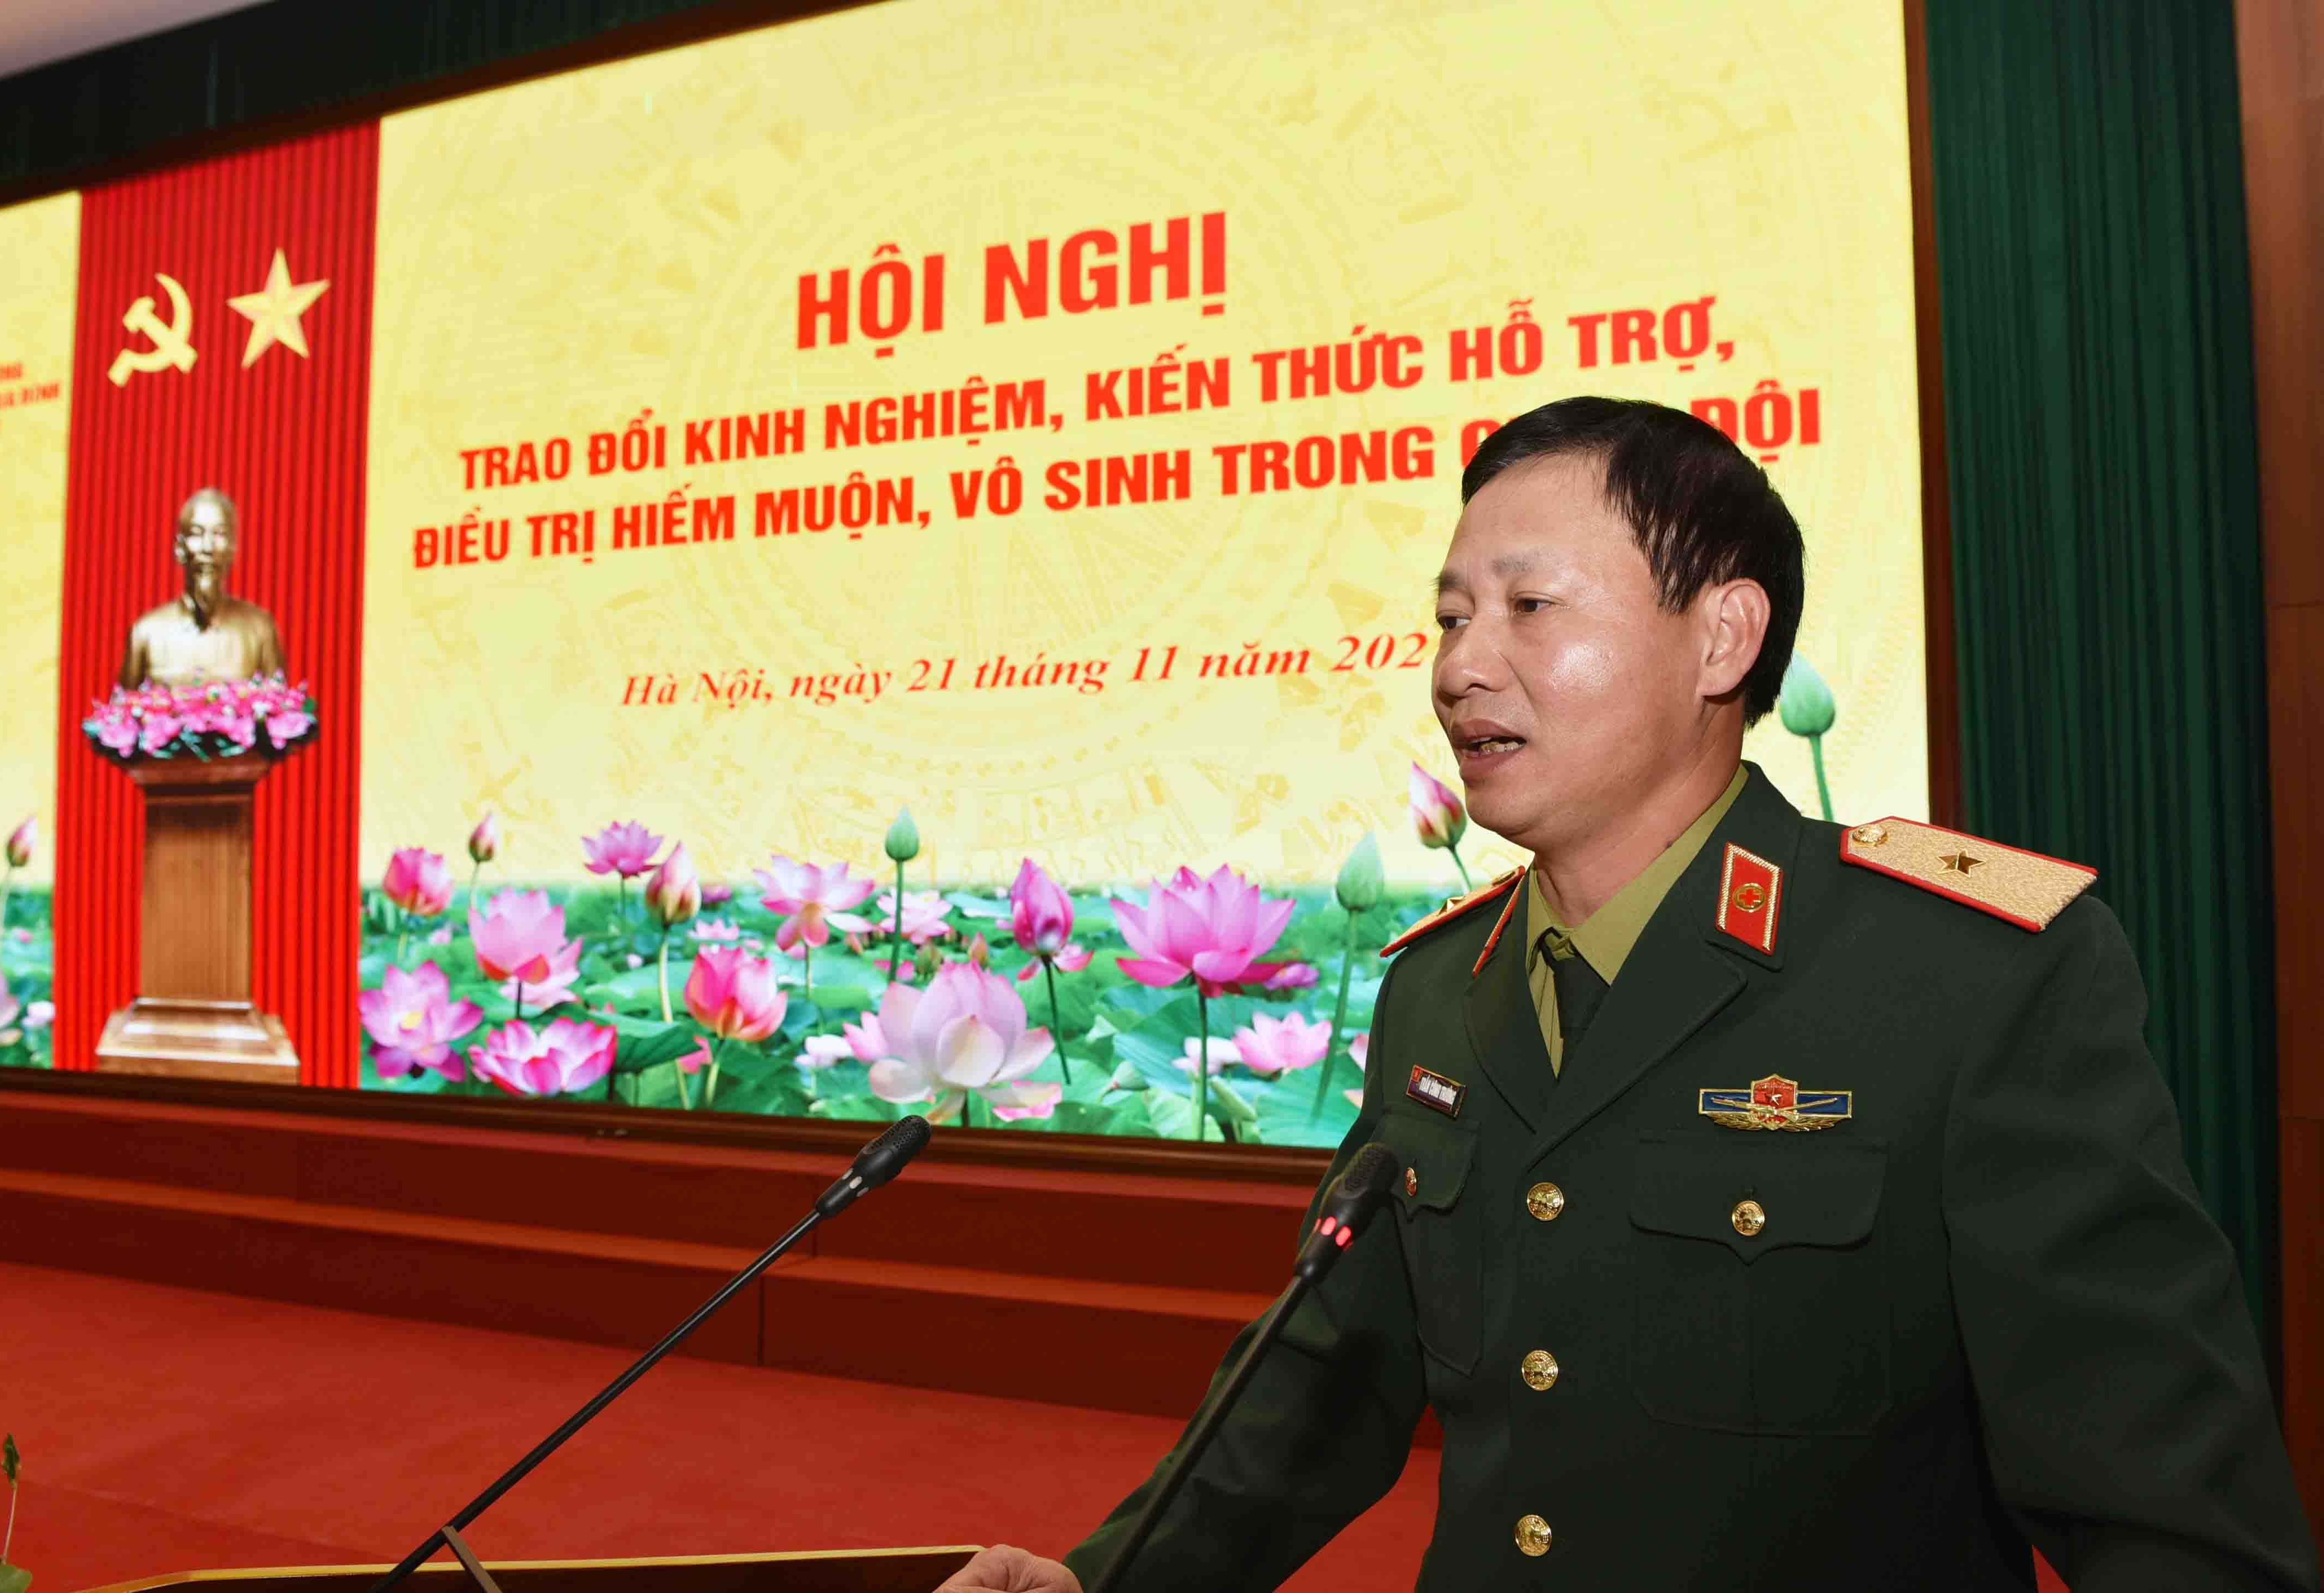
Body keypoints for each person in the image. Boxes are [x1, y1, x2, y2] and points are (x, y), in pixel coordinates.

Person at [936, 398, 2318, 1591]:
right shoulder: (1437, 990)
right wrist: (1104, 1577)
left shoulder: (1967, 978)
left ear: (1723, 637)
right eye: (1450, 617)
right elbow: (1325, 1384)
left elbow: (2168, 1517)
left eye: (1529, 607)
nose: (1460, 666)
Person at [119, 486, 286, 688]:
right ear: (180, 548)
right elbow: (124, 704)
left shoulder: (260, 631)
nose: (208, 547)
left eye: (219, 534)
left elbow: (281, 705)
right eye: (197, 534)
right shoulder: (147, 633)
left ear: (233, 548)